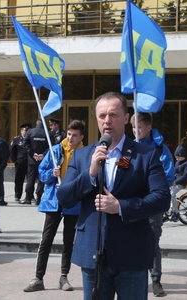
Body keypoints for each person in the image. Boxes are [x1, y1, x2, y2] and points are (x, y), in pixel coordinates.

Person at [57, 91, 170, 299]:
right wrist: (90, 172)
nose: (107, 121)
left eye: (113, 115)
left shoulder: (145, 155)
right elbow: (64, 197)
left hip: (132, 253)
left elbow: (162, 198)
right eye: (102, 116)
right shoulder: (82, 156)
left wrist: (121, 206)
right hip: (93, 253)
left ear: (126, 118)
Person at [24, 120, 85, 293]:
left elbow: (88, 179)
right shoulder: (55, 150)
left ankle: (64, 276)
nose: (70, 137)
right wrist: (52, 174)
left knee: (68, 240)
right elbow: (41, 174)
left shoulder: (84, 154)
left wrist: (71, 186)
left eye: (75, 135)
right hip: (54, 201)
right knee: (46, 239)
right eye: (69, 134)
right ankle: (38, 277)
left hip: (73, 202)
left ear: (82, 136)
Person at [130, 112, 174, 297]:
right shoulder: (129, 148)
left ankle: (155, 279)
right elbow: (122, 169)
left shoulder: (159, 149)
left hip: (152, 203)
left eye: (139, 127)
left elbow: (169, 176)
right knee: (131, 240)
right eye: (133, 128)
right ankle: (132, 277)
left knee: (152, 241)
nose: (136, 131)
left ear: (149, 127)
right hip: (132, 202)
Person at [22, 118, 50, 205]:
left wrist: (33, 154)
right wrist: (43, 155)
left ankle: (28, 198)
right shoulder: (47, 132)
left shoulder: (30, 132)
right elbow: (51, 146)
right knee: (41, 179)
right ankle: (38, 198)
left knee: (30, 179)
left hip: (32, 160)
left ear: (36, 123)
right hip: (43, 160)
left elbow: (25, 144)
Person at [166, 146, 187, 222]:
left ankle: (176, 213)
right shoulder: (177, 163)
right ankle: (167, 212)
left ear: (182, 156)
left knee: (172, 193)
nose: (177, 159)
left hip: (181, 183)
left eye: (178, 157)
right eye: (176, 157)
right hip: (175, 181)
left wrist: (175, 182)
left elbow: (185, 176)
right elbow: (174, 172)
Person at [10, 123, 31, 202]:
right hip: (20, 162)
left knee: (30, 181)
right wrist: (14, 160)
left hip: (29, 163)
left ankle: (29, 196)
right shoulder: (16, 139)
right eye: (25, 130)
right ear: (21, 131)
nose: (26, 132)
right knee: (19, 180)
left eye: (28, 130)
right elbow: (12, 150)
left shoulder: (31, 139)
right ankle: (17, 195)